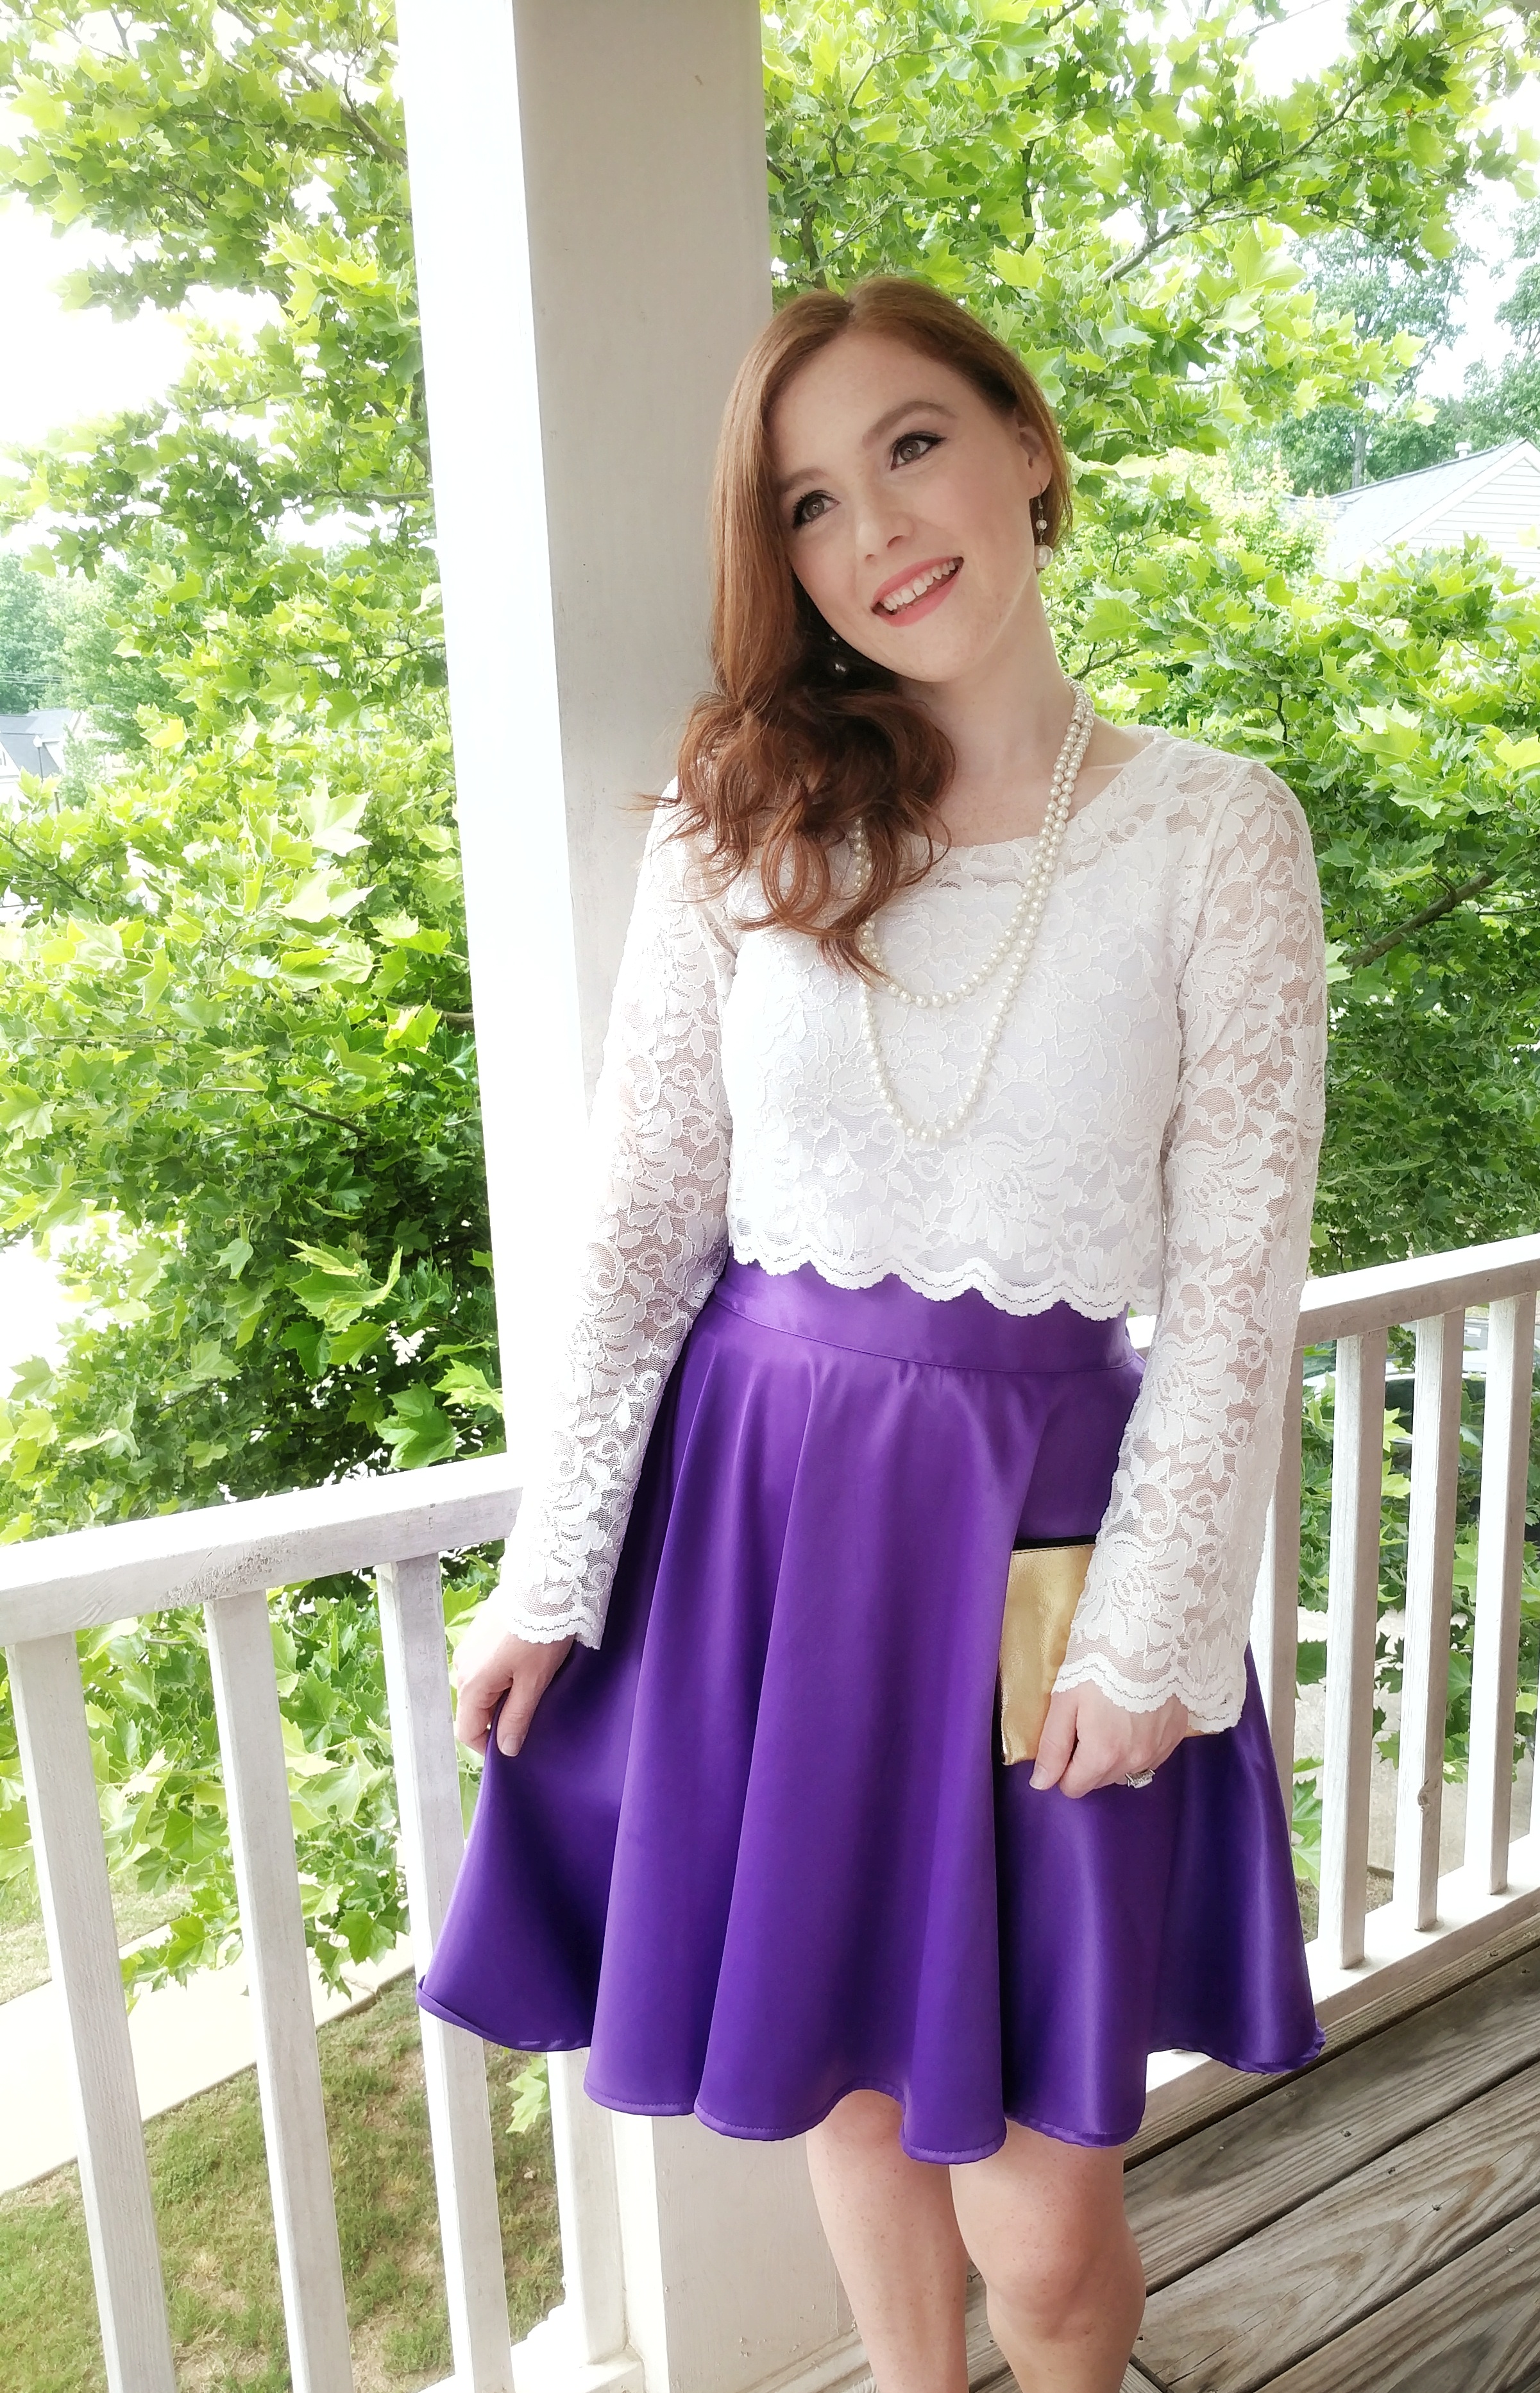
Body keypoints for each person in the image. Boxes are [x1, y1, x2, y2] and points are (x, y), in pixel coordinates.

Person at [420, 277, 1325, 2393]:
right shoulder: (744, 811)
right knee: (840, 2076)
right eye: (809, 503)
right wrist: (555, 1567)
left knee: (1037, 2161)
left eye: (911, 444)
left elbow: (1234, 1276)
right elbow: (646, 1223)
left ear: (1024, 445)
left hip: (1037, 1539)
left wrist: (1152, 1635)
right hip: (754, 1514)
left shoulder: (1213, 828)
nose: (876, 531)